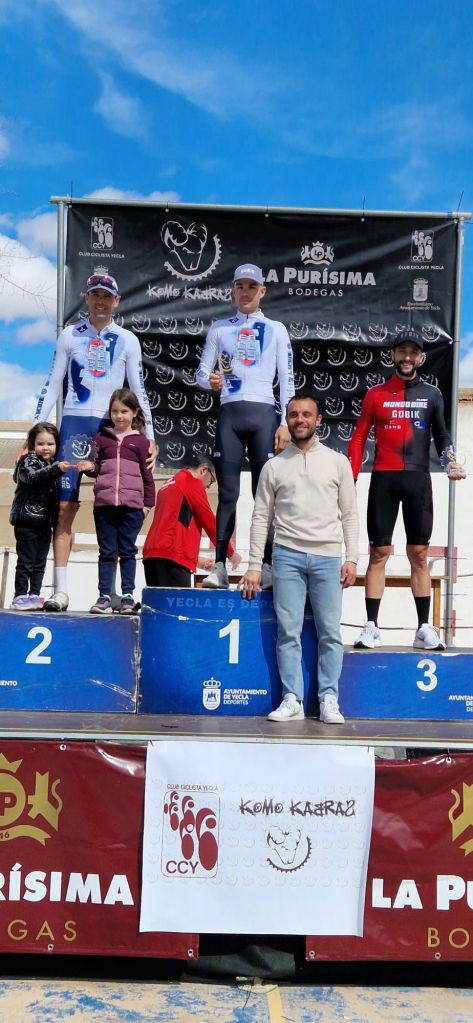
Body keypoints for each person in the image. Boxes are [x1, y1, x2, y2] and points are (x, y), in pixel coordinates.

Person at [33, 273, 156, 612]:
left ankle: (114, 593)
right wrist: (33, 434)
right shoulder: (70, 335)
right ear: (86, 298)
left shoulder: (128, 339)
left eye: (106, 296)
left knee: (115, 508)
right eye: (94, 295)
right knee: (64, 508)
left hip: (108, 427)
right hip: (74, 424)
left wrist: (150, 437)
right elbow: (52, 382)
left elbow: (139, 390)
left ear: (116, 301)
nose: (100, 301)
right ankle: (61, 590)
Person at [240, 393, 359, 724]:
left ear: (318, 420)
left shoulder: (337, 462)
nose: (300, 420)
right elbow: (260, 518)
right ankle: (292, 698)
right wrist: (253, 565)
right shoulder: (274, 466)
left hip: (328, 557)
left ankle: (328, 699)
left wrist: (352, 558)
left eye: (307, 414)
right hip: (286, 557)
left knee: (330, 632)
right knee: (287, 632)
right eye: (294, 415)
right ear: (287, 420)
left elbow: (350, 514)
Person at [347, 327, 466, 651]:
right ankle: (371, 626)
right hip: (383, 480)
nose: (407, 357)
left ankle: (424, 628)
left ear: (421, 358)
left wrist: (450, 461)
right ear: (393, 355)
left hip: (418, 480)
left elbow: (442, 436)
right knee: (378, 553)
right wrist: (351, 477)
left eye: (413, 352)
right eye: (402, 351)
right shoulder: (376, 394)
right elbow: (359, 437)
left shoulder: (432, 394)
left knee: (419, 554)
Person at [196, 263, 295, 589]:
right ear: (233, 291)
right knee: (227, 494)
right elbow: (201, 373)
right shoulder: (219, 329)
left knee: (264, 495)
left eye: (252, 287)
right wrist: (209, 381)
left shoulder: (276, 329)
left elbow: (288, 379)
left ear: (262, 291)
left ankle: (265, 566)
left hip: (264, 416)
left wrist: (285, 422)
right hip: (230, 416)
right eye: (240, 286)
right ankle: (219, 566)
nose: (246, 292)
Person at [78, 389, 155, 615]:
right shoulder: (101, 438)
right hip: (104, 506)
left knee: (128, 551)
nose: (119, 416)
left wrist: (146, 506)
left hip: (132, 508)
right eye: (114, 411)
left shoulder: (141, 442)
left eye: (124, 411)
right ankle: (104, 596)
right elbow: (96, 468)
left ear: (135, 413)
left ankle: (128, 596)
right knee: (107, 552)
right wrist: (89, 467)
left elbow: (147, 476)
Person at [143, 456, 241, 588]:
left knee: (157, 601)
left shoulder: (169, 483)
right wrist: (230, 553)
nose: (208, 487)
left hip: (152, 555)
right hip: (172, 559)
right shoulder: (191, 482)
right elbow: (209, 522)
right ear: (203, 470)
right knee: (178, 601)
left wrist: (196, 560)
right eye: (211, 481)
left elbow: (175, 523)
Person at [10, 422, 78, 611]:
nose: (45, 448)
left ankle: (34, 594)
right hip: (27, 520)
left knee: (40, 563)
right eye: (40, 443)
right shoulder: (28, 460)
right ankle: (20, 596)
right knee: (26, 561)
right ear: (32, 444)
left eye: (50, 444)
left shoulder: (51, 464)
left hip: (44, 523)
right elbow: (33, 477)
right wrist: (56, 469)